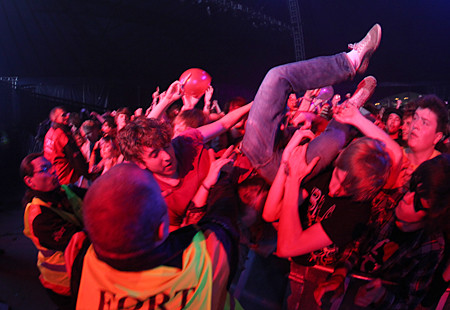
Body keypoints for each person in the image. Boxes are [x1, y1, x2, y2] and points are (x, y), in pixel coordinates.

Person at [69, 163, 239, 310]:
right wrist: (222, 179)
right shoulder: (206, 255)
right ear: (161, 230)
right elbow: (222, 219)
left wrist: (149, 206)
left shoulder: (80, 255)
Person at [242, 24, 382, 184]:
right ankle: (351, 106)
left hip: (261, 151)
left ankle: (352, 61)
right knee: (334, 139)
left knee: (277, 78)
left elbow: (224, 124)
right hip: (279, 171)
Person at [314, 154, 450, 309]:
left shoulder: (431, 246)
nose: (407, 197)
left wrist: (382, 297)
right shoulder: (389, 200)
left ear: (434, 215)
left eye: (418, 202)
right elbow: (356, 242)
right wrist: (339, 274)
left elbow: (410, 301)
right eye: (412, 188)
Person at [20, 153, 84, 310]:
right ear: (30, 181)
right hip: (64, 283)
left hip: (80, 274)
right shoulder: (39, 216)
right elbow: (79, 241)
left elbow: (95, 196)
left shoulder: (64, 191)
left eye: (51, 165)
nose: (54, 171)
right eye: (45, 169)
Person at [44, 106, 90, 185]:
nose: (68, 116)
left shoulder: (49, 133)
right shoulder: (63, 135)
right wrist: (87, 175)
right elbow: (75, 158)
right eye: (63, 115)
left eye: (67, 113)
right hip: (67, 179)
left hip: (55, 178)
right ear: (55, 119)